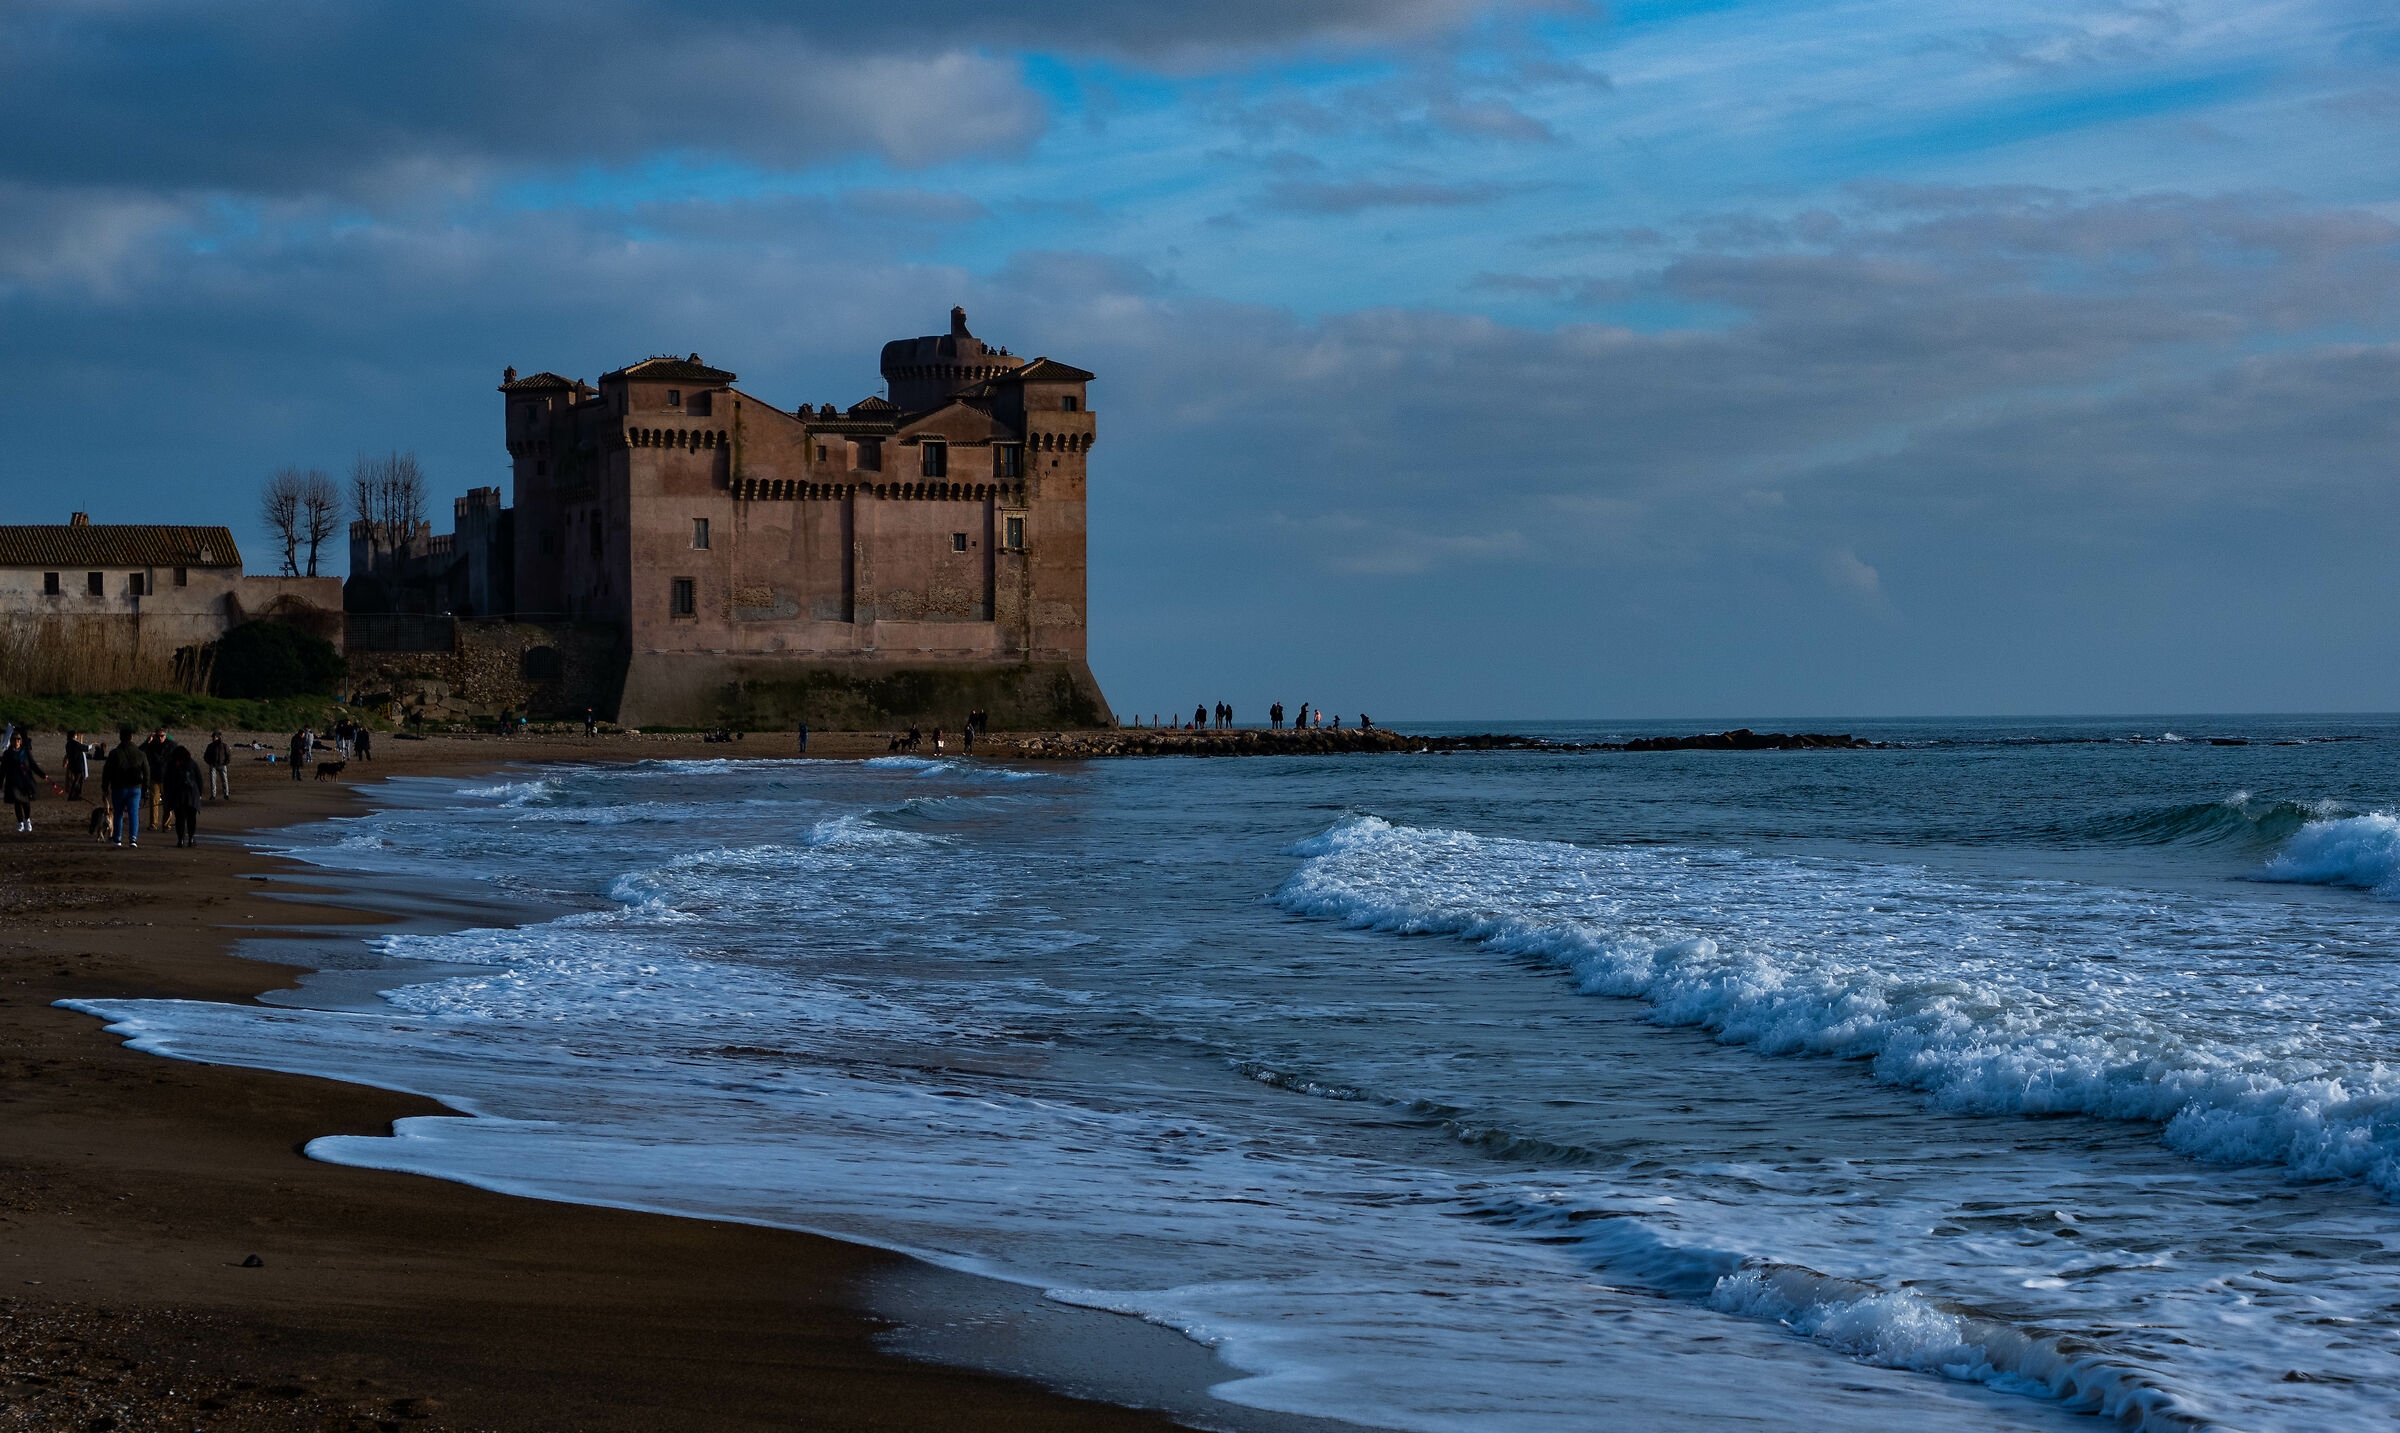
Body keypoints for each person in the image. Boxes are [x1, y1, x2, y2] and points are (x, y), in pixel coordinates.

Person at [102, 727, 146, 848]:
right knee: (133, 814)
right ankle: (133, 839)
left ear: (120, 737)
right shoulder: (140, 753)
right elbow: (147, 772)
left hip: (119, 787)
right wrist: (145, 789)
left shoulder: (114, 753)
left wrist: (105, 786)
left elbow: (107, 771)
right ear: (132, 737)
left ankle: (117, 838)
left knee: (118, 813)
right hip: (135, 788)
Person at [3, 731, 44, 835]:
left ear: (20, 741)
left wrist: (43, 775)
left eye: (18, 740)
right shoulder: (7, 754)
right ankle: (20, 823)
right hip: (13, 781)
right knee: (17, 801)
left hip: (25, 781)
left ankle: (27, 820)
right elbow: (2, 769)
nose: (16, 741)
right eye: (14, 740)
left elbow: (33, 765)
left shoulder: (25, 752)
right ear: (11, 741)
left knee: (26, 802)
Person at [163, 740, 204, 847]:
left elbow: (167, 781)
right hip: (192, 794)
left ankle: (180, 840)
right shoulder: (192, 763)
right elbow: (199, 779)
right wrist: (200, 793)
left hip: (178, 795)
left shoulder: (172, 764)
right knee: (191, 818)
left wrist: (167, 795)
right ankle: (191, 839)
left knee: (180, 818)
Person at [141, 728, 172, 829]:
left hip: (167, 778)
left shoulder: (170, 746)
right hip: (154, 778)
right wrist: (148, 741)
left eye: (162, 736)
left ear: (165, 736)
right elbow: (139, 751)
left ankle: (166, 824)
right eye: (158, 736)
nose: (160, 738)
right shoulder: (151, 746)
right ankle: (153, 824)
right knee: (154, 802)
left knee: (168, 803)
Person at [202, 730, 231, 799]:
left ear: (218, 737)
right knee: (212, 781)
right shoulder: (210, 746)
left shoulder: (224, 745)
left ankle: (226, 794)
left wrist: (225, 763)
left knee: (224, 780)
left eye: (214, 737)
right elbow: (205, 755)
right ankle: (213, 795)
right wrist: (209, 762)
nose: (213, 738)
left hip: (222, 765)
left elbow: (228, 755)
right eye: (212, 737)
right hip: (213, 765)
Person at [62, 730, 89, 801]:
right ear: (74, 736)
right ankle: (72, 796)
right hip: (77, 764)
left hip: (73, 764)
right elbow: (85, 748)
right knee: (77, 779)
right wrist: (91, 745)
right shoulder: (75, 743)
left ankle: (77, 794)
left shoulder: (68, 743)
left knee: (80, 778)